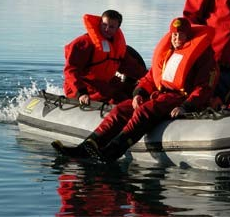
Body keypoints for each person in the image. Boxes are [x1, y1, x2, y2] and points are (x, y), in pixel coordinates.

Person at [52, 17, 218, 162]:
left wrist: (186, 106)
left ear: (187, 35)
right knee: (122, 108)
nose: (176, 38)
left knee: (145, 111)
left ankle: (112, 151)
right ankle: (88, 146)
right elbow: (150, 78)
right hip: (160, 94)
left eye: (180, 34)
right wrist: (139, 93)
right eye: (174, 34)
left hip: (179, 97)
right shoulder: (168, 53)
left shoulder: (202, 56)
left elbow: (204, 88)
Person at [63, 10, 147, 105]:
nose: (106, 29)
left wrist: (151, 79)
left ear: (117, 29)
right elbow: (71, 70)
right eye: (104, 25)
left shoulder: (118, 47)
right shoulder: (84, 43)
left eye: (111, 27)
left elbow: (132, 67)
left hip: (103, 84)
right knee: (118, 97)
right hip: (81, 87)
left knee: (131, 90)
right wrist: (81, 93)